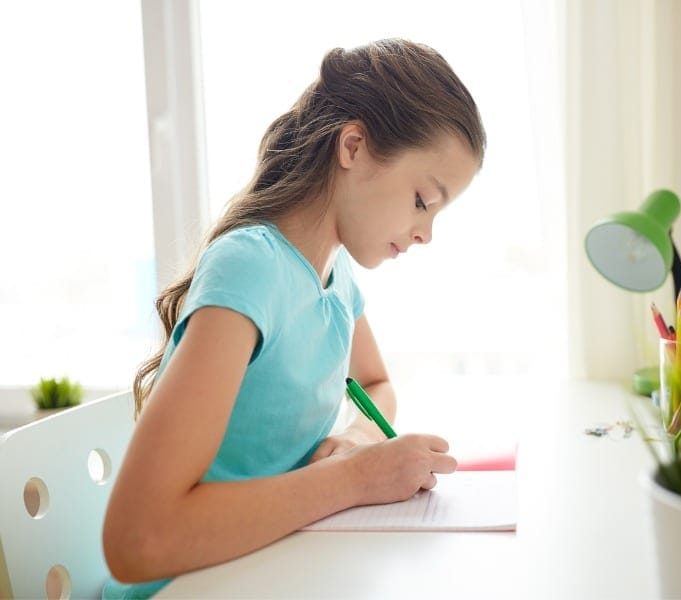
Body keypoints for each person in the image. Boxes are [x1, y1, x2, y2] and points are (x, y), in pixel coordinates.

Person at [102, 38, 486, 598]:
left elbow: (376, 384)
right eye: (423, 201)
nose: (426, 233)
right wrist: (355, 479)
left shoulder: (336, 275)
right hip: (186, 584)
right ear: (353, 146)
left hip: (264, 568)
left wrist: (357, 436)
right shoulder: (251, 267)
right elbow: (137, 540)